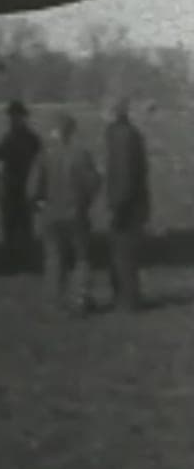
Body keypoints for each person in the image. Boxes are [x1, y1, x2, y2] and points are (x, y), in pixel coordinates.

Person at [28, 112, 101, 315]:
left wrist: (40, 204)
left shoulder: (43, 155)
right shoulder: (80, 154)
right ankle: (81, 298)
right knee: (81, 258)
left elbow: (32, 189)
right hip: (76, 214)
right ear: (71, 131)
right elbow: (94, 183)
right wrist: (85, 202)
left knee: (53, 258)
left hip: (51, 214)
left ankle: (54, 302)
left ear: (54, 132)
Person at [103, 97, 150, 311]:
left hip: (126, 204)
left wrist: (119, 206)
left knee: (123, 253)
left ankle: (127, 301)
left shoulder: (120, 136)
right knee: (126, 253)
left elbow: (124, 173)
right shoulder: (130, 134)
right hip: (134, 202)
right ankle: (127, 299)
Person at [0, 100, 43, 269]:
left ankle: (15, 261)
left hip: (16, 186)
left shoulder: (11, 138)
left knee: (15, 225)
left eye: (15, 116)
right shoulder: (31, 139)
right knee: (20, 225)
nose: (13, 119)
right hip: (20, 186)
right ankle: (21, 260)